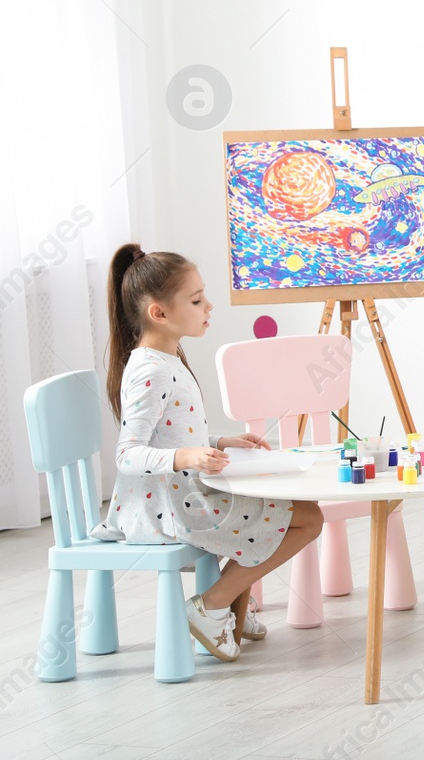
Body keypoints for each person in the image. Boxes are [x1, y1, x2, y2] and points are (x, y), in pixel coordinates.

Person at [97, 243, 323, 660]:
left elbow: (174, 430)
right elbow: (127, 454)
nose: (209, 306)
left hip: (185, 493)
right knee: (307, 519)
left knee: (298, 509)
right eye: (197, 299)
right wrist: (186, 458)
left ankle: (229, 603)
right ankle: (214, 604)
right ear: (159, 313)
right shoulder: (150, 370)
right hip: (169, 506)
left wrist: (219, 442)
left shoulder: (167, 358)